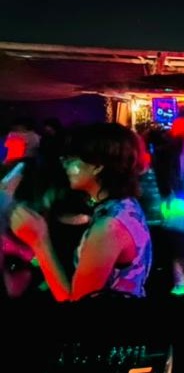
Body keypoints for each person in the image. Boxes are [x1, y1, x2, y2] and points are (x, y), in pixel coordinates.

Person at [9, 122, 152, 301]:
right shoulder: (124, 205)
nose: (65, 165)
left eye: (72, 159)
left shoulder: (109, 227)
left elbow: (77, 302)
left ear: (97, 166)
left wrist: (39, 241)